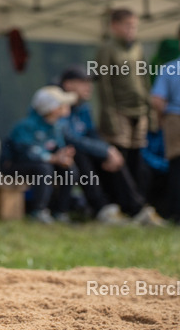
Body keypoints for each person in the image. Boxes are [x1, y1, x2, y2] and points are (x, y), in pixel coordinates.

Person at [60, 66, 164, 225]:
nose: (89, 87)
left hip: (83, 152)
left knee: (114, 157)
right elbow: (68, 138)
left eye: (89, 82)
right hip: (60, 155)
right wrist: (105, 150)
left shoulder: (83, 108)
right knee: (81, 154)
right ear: (68, 85)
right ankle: (102, 209)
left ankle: (136, 209)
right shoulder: (57, 103)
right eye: (83, 82)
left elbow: (92, 134)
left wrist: (109, 151)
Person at [95, 8, 151, 198]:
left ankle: (137, 198)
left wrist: (149, 111)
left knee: (137, 158)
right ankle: (120, 200)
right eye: (127, 25)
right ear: (114, 26)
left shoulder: (137, 48)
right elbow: (104, 85)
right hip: (119, 111)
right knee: (120, 157)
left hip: (140, 110)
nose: (131, 30)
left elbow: (144, 79)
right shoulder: (107, 49)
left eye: (134, 26)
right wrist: (109, 115)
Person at [2, 86, 76, 223]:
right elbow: (27, 153)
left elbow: (56, 148)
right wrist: (53, 158)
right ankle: (39, 211)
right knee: (44, 168)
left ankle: (61, 212)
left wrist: (63, 155)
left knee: (69, 169)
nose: (66, 107)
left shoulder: (56, 126)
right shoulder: (26, 126)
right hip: (14, 167)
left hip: (41, 165)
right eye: (62, 104)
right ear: (53, 108)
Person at [150, 30, 180, 222]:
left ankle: (175, 213)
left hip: (175, 118)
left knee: (177, 167)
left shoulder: (171, 68)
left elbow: (157, 99)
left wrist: (161, 120)